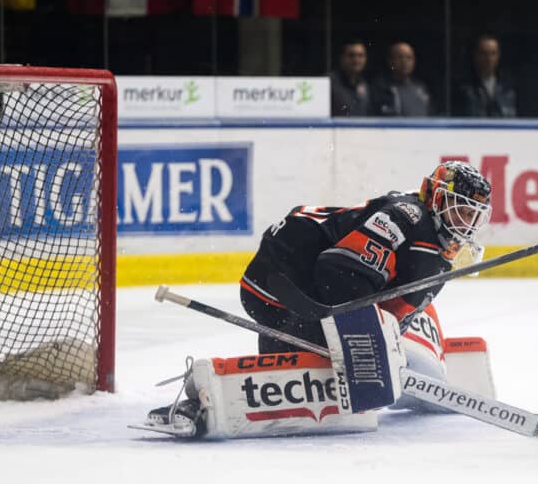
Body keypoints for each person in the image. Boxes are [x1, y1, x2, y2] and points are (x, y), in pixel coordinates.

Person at [148, 161, 493, 429]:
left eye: (474, 215)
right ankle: (207, 398)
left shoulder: (433, 245)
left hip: (304, 283)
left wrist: (389, 338)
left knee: (369, 344)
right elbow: (337, 271)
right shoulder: (407, 219)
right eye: (461, 209)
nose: (467, 222)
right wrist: (369, 343)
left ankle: (282, 357)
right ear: (436, 197)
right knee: (326, 358)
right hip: (278, 278)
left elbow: (397, 302)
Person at [455, 34, 517, 117]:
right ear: (475, 55)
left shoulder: (509, 89)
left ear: (498, 56)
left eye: (493, 53)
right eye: (484, 53)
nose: (489, 59)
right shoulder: (464, 88)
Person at [372, 41, 432, 116]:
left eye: (409, 57)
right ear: (390, 60)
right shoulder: (381, 87)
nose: (404, 61)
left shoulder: (421, 88)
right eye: (400, 57)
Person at [330, 40, 374, 117]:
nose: (356, 60)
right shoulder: (330, 82)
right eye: (351, 55)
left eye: (360, 55)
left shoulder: (367, 84)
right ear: (342, 58)